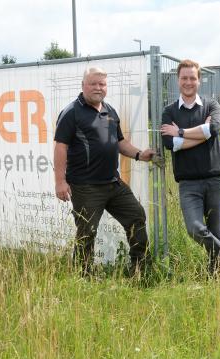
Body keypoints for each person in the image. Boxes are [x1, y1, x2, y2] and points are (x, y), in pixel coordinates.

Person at [53, 66, 156, 276]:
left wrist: (140, 154)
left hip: (112, 183)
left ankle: (140, 270)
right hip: (85, 187)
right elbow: (60, 147)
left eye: (102, 84)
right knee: (87, 232)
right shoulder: (71, 112)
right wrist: (60, 182)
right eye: (93, 84)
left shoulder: (110, 110)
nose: (98, 88)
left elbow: (120, 143)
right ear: (83, 85)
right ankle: (84, 276)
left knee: (136, 216)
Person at [160, 59, 220, 275]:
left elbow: (213, 129)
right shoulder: (169, 112)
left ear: (199, 80)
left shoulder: (211, 105)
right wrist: (201, 134)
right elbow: (170, 143)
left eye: (192, 78)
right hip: (188, 182)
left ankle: (218, 277)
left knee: (216, 231)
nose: (188, 82)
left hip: (215, 178)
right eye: (184, 78)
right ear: (178, 80)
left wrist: (181, 133)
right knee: (195, 228)